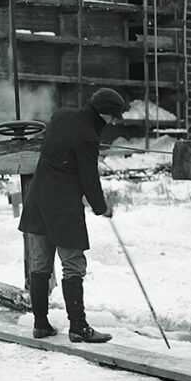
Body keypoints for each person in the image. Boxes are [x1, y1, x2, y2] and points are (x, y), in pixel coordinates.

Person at [18, 88, 126, 343]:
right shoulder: (88, 136)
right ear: (105, 113)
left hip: (38, 199)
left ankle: (40, 324)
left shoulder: (62, 115)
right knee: (73, 266)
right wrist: (102, 207)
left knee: (40, 265)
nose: (114, 121)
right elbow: (89, 178)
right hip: (63, 207)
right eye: (114, 116)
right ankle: (78, 327)